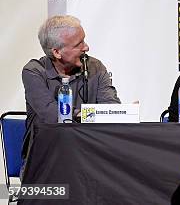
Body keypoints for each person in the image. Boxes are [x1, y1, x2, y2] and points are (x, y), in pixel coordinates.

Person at [21, 15, 121, 164]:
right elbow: (52, 114)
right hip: (46, 158)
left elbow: (112, 109)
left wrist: (83, 115)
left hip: (90, 155)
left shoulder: (96, 67)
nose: (86, 47)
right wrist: (87, 115)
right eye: (78, 44)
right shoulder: (34, 71)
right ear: (57, 52)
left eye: (84, 40)